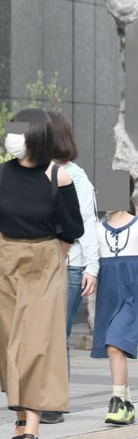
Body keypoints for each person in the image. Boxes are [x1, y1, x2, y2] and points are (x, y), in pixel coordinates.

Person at [0, 108, 84, 439]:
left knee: (38, 345)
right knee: (11, 345)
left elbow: (73, 228)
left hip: (45, 262)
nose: (14, 137)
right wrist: (8, 245)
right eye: (13, 130)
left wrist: (51, 253)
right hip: (7, 262)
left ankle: (32, 429)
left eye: (21, 131)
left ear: (38, 136)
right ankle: (21, 416)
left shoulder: (59, 176)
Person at [41, 111, 99, 425]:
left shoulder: (75, 176)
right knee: (40, 334)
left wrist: (92, 267)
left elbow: (88, 222)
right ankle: (39, 395)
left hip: (70, 265)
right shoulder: (31, 172)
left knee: (55, 334)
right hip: (37, 264)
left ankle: (54, 401)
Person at [91, 175, 137, 425]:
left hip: (132, 294)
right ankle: (126, 404)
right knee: (114, 347)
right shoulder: (98, 229)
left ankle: (118, 401)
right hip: (108, 295)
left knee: (114, 344)